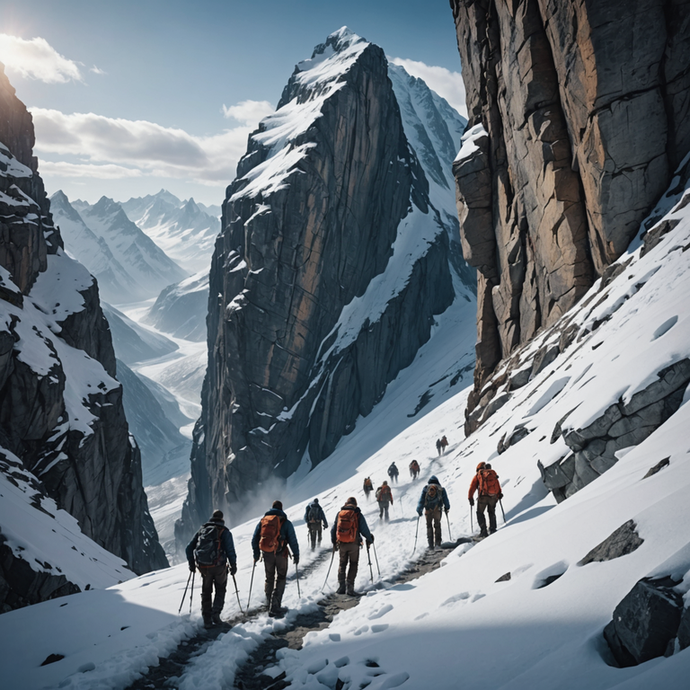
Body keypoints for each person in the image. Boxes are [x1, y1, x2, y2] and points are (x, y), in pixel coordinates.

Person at [186, 509, 237, 628]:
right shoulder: (224, 532)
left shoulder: (202, 531)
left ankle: (207, 619)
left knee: (206, 591)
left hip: (204, 567)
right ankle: (216, 614)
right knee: (220, 589)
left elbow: (189, 548)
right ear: (222, 518)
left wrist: (192, 564)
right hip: (219, 567)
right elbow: (230, 551)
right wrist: (233, 565)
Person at [251, 500, 299, 617]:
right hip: (281, 553)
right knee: (281, 577)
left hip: (267, 553)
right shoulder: (286, 522)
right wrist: (296, 554)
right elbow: (292, 540)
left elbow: (254, 539)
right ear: (281, 508)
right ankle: (275, 605)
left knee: (269, 577)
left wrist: (256, 554)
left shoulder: (263, 521)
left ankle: (268, 602)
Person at [330, 496, 374, 595]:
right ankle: (350, 588)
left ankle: (341, 587)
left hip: (342, 543)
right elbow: (364, 530)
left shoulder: (340, 514)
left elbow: (333, 529)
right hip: (354, 543)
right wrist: (369, 539)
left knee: (342, 564)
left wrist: (334, 541)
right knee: (353, 564)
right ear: (355, 504)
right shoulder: (357, 514)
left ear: (346, 503)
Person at [468, 462, 503, 538]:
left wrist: (470, 497)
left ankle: (483, 531)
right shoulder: (492, 473)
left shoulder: (479, 475)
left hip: (483, 497)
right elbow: (497, 484)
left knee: (480, 513)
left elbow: (472, 487)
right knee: (491, 512)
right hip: (493, 497)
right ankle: (493, 529)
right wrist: (499, 494)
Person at [416, 476, 450, 549]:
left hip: (428, 510)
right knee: (437, 525)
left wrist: (419, 509)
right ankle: (438, 543)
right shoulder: (441, 489)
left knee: (429, 526)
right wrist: (447, 507)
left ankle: (430, 545)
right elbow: (445, 499)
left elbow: (421, 500)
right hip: (437, 509)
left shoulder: (426, 489)